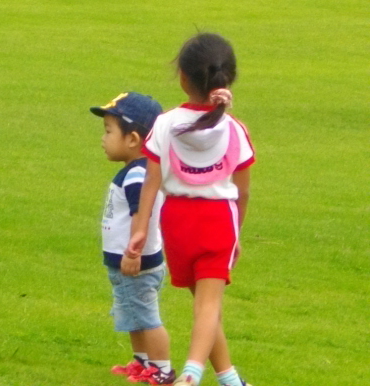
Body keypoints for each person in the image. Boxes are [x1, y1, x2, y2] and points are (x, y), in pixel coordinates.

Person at [126, 34, 255, 386]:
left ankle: (230, 379)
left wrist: (139, 229)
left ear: (183, 77)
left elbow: (151, 181)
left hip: (177, 222)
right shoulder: (235, 129)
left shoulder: (165, 123)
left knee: (203, 306)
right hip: (218, 222)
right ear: (227, 78)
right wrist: (236, 234)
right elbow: (242, 192)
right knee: (208, 307)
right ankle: (191, 374)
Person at [90, 92, 175, 385]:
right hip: (127, 263)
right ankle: (143, 363)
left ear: (133, 139)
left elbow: (145, 215)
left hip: (136, 263)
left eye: (109, 131)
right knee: (132, 315)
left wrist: (133, 252)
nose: (103, 138)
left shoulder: (138, 176)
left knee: (146, 317)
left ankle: (163, 369)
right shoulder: (134, 172)